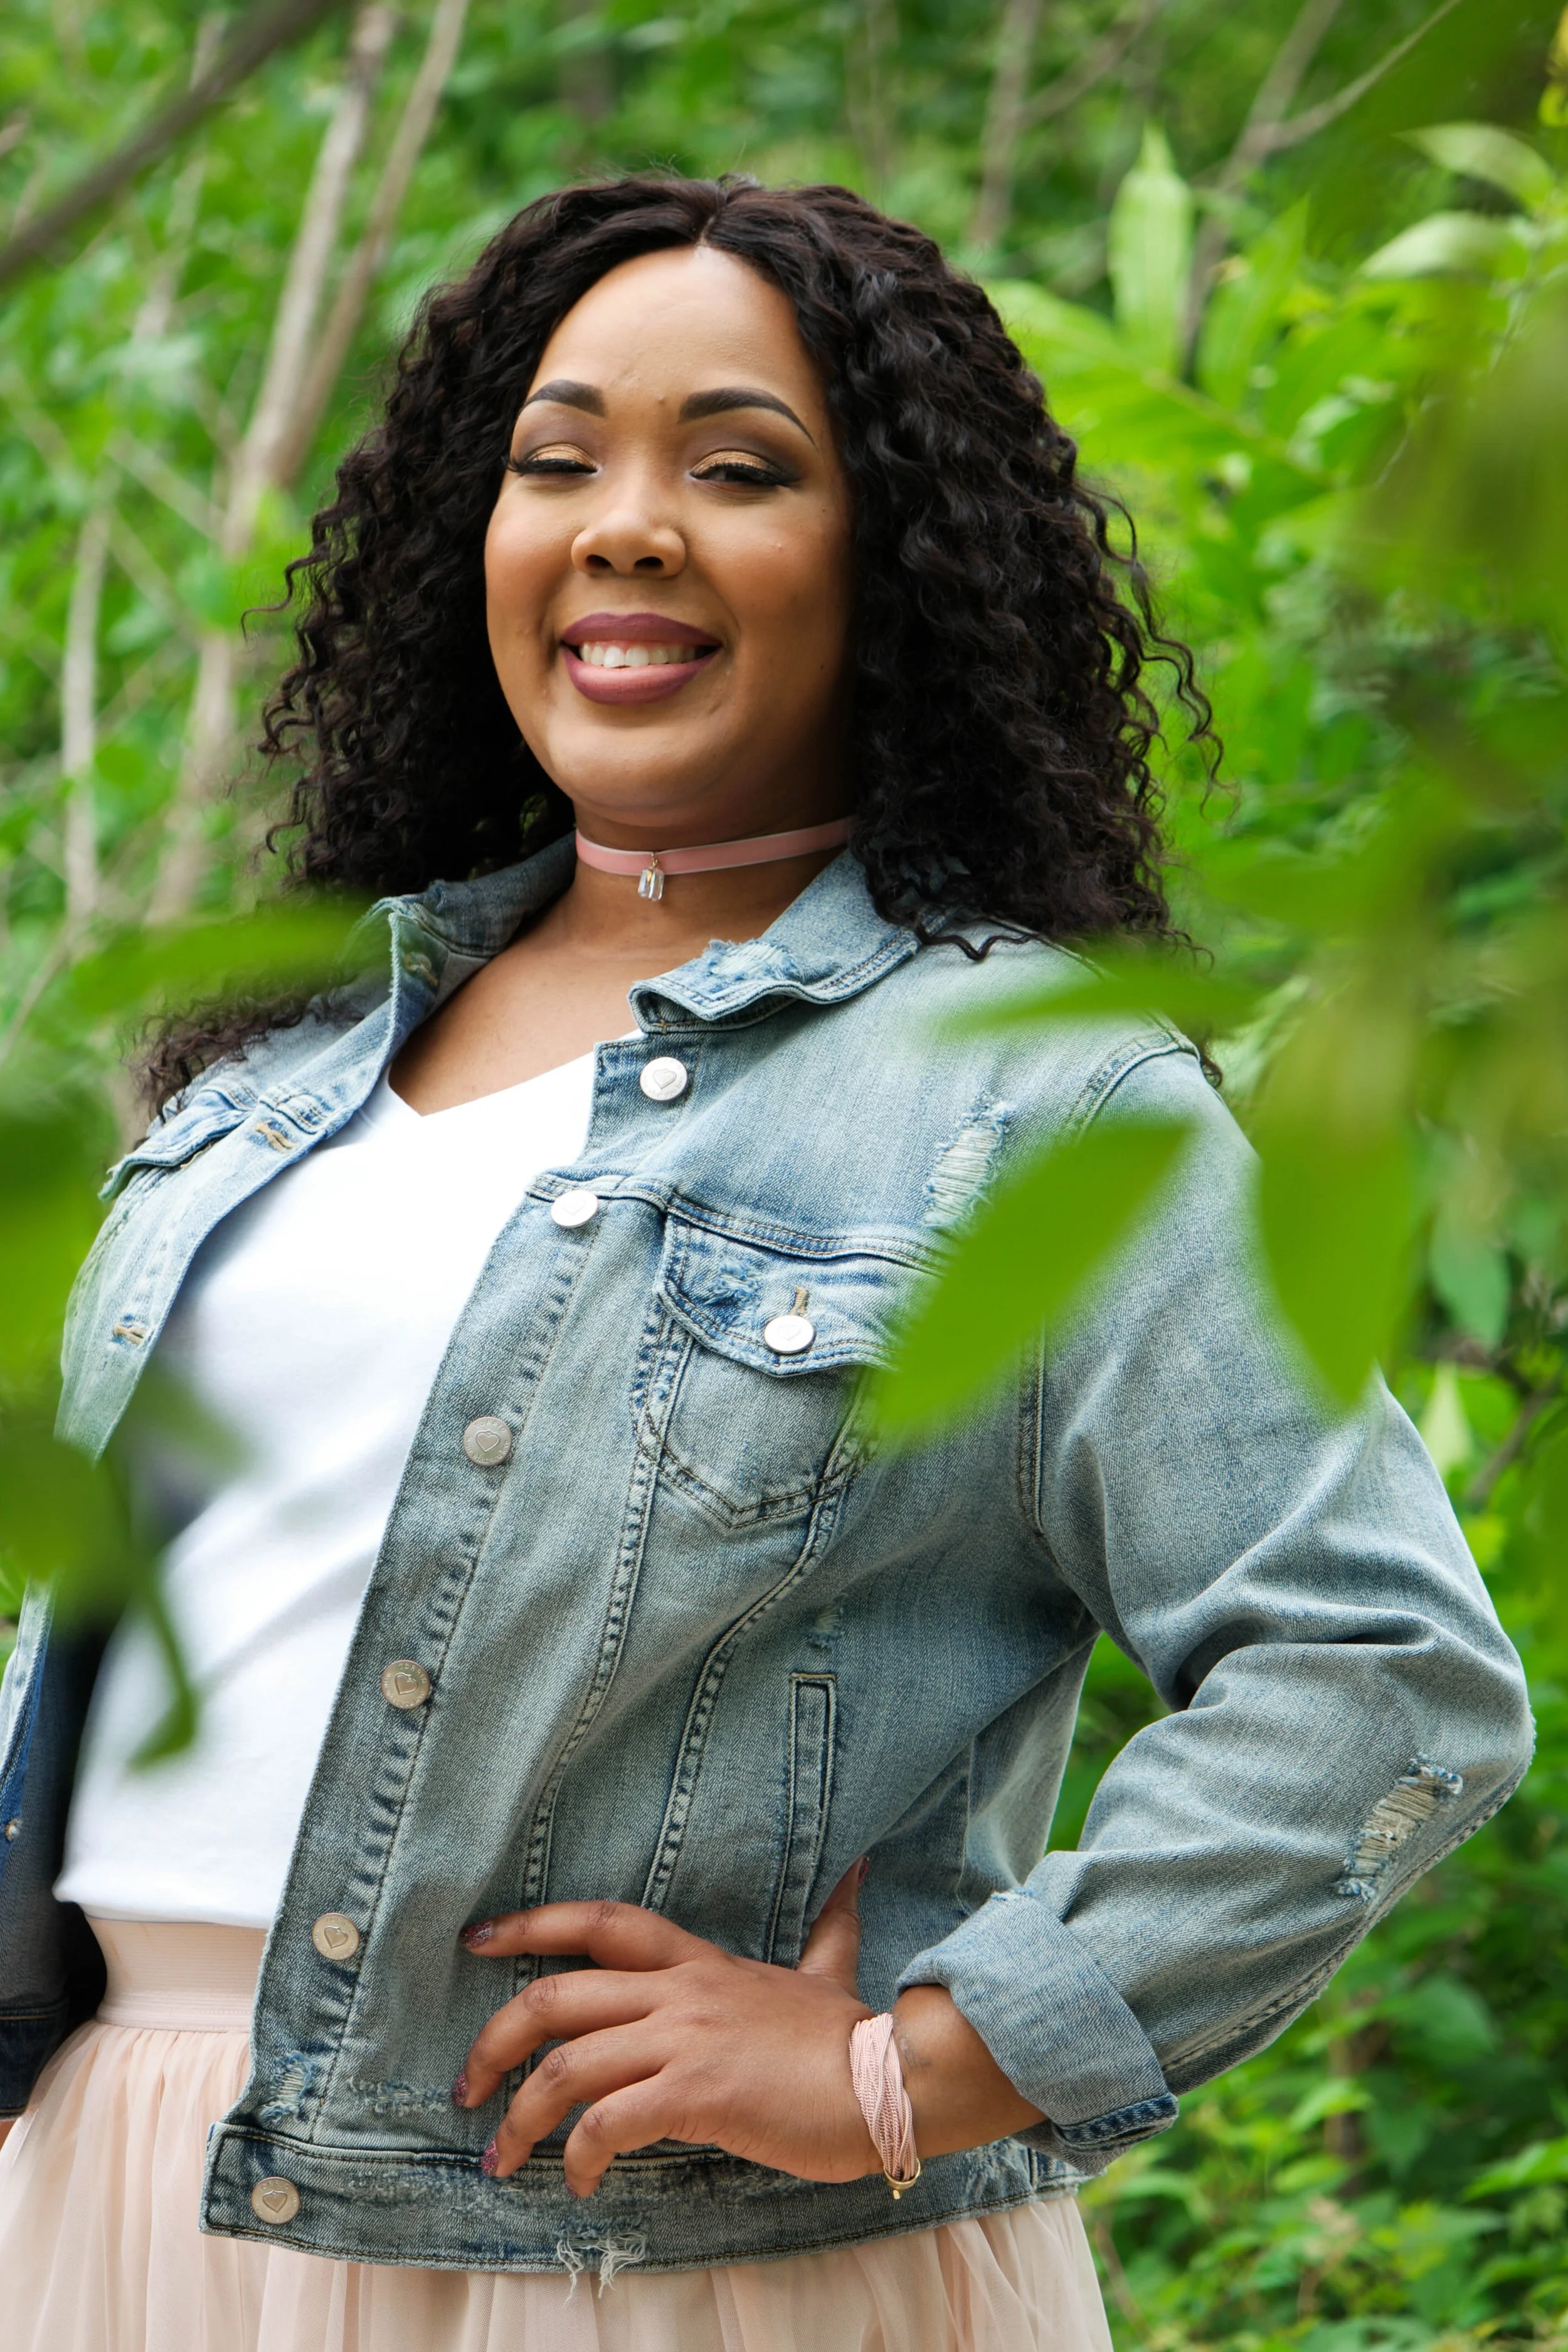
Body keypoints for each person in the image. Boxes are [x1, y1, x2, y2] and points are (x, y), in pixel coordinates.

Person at [0, 174, 1531, 2352]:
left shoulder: (1031, 1093)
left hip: (637, 2247)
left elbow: (1382, 1672)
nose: (625, 525)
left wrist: (908, 2065)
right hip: (110, 2186)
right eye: (559, 463)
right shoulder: (282, 1063)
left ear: (889, 565)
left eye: (738, 467)